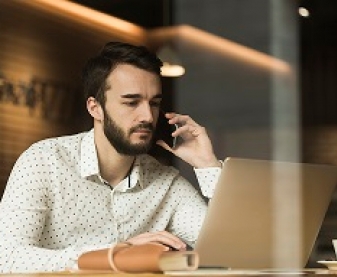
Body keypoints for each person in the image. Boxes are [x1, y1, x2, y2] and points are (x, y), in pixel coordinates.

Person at [0, 42, 222, 273]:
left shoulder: (166, 184)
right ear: (95, 108)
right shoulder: (43, 162)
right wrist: (116, 253)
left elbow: (228, 249)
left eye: (154, 103)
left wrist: (207, 165)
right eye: (131, 102)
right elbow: (7, 257)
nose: (147, 116)